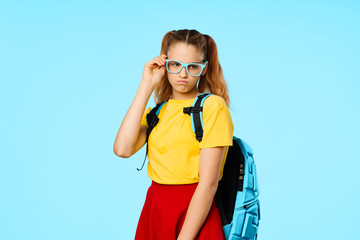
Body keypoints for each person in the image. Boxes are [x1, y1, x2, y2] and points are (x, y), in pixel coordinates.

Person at [113, 29, 234, 240]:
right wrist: (147, 84)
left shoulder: (213, 107)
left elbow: (209, 184)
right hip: (156, 210)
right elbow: (122, 149)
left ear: (204, 69)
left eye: (193, 66)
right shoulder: (157, 112)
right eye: (176, 65)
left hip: (195, 215)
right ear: (165, 64)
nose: (183, 74)